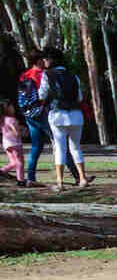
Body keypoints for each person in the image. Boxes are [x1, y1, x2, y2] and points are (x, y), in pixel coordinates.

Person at [38, 51, 93, 191]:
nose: (44, 61)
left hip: (57, 115)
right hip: (75, 115)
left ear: (52, 60)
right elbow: (79, 97)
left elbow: (42, 95)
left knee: (60, 148)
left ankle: (60, 183)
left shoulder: (47, 75)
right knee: (76, 147)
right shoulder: (73, 76)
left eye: (46, 58)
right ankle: (83, 179)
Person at [16, 49, 50, 188]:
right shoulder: (42, 74)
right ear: (38, 61)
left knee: (36, 146)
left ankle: (31, 177)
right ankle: (78, 176)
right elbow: (45, 94)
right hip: (43, 112)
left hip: (29, 114)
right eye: (43, 59)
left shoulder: (24, 75)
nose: (46, 61)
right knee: (59, 143)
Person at [2, 100, 24, 183]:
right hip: (15, 143)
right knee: (20, 162)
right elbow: (16, 132)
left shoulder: (2, 119)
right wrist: (20, 132)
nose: (14, 108)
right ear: (8, 108)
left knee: (13, 162)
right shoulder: (12, 119)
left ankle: (2, 170)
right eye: (12, 106)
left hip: (6, 143)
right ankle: (20, 180)